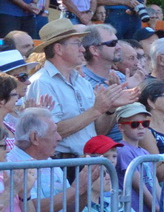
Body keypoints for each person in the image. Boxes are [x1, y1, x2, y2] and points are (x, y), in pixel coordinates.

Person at [26, 18, 135, 155]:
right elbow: (50, 132)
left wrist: (110, 108)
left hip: (86, 160)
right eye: (77, 44)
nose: (83, 49)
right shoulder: (42, 82)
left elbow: (97, 131)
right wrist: (96, 110)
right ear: (58, 49)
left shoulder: (82, 82)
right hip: (63, 162)